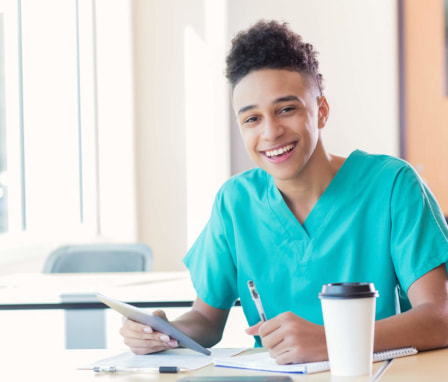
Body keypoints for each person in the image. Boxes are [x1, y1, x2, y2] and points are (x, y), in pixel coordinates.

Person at [120, 20, 448, 364]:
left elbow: (440, 317)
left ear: (320, 111)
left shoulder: (393, 185)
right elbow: (205, 320)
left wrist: (333, 341)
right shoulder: (235, 202)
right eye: (251, 119)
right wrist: (163, 330)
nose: (271, 132)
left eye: (286, 109)